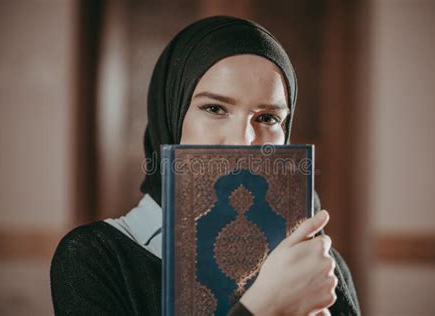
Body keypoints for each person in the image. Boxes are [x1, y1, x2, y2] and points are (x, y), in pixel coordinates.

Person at [50, 16, 360, 315]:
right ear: (171, 114)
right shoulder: (95, 257)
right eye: (214, 108)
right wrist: (265, 307)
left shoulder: (318, 263)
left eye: (267, 118)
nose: (243, 141)